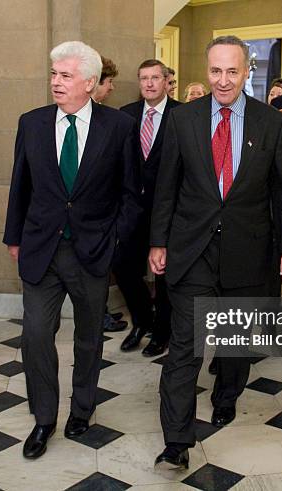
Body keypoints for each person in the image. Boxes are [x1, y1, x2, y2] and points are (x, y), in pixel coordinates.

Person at [149, 35, 282, 469]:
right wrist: (158, 241)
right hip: (192, 249)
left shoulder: (271, 123)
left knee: (235, 343)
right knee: (186, 345)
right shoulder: (182, 120)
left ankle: (226, 395)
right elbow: (166, 189)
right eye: (215, 70)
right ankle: (176, 441)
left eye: (231, 71)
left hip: (249, 251)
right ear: (206, 70)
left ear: (246, 71)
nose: (222, 80)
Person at [3, 41, 141, 460]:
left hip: (92, 251)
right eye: (53, 74)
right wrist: (14, 237)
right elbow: (19, 186)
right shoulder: (32, 123)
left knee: (88, 338)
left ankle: (82, 408)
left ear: (89, 82)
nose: (55, 83)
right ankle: (44, 418)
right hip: (41, 250)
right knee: (36, 336)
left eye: (65, 76)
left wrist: (115, 239)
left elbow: (131, 193)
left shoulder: (117, 127)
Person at [115, 60, 181, 356]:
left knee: (164, 275)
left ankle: (163, 331)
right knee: (124, 268)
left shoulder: (183, 115)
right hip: (132, 211)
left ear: (167, 81)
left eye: (156, 78)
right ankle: (142, 320)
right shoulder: (126, 115)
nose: (150, 84)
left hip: (169, 212)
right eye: (144, 78)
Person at [91, 55, 128, 333]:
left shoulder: (115, 122)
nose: (112, 88)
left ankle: (100, 312)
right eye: (109, 82)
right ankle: (96, 315)